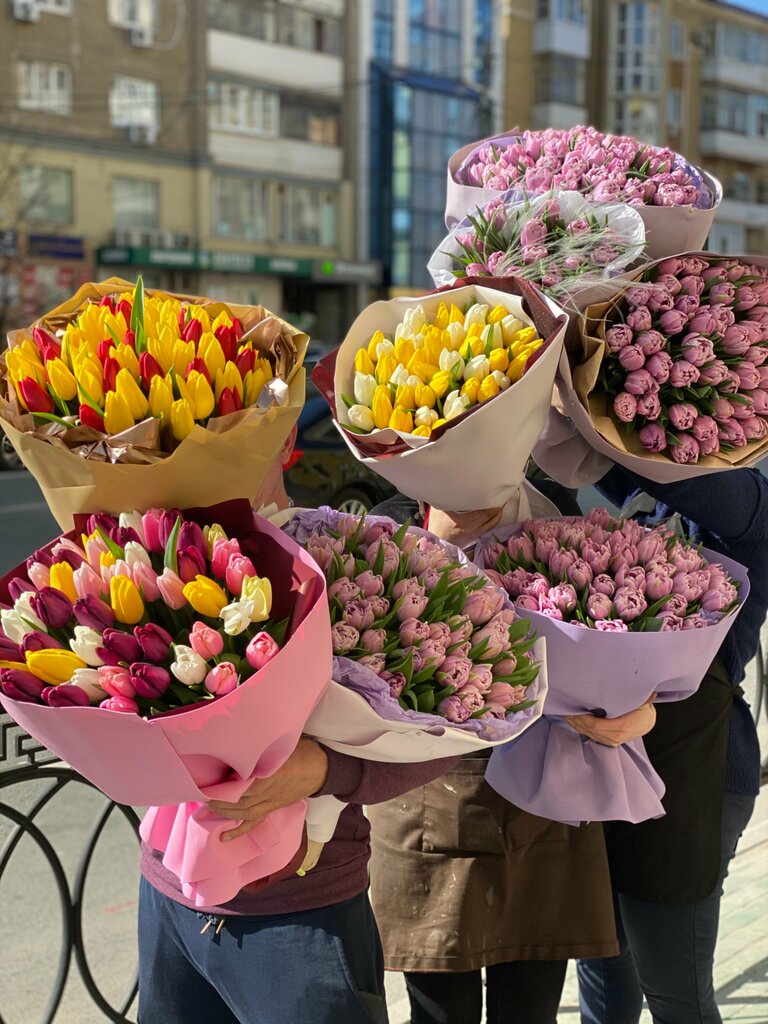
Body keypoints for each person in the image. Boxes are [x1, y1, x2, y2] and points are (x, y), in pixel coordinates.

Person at [137, 428, 461, 1024]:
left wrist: (326, 769)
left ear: (283, 435)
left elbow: (453, 735)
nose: (198, 452)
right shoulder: (155, 550)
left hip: (300, 917)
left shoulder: (351, 556)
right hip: (168, 891)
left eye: (227, 430)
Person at [367, 479, 657, 1024]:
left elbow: (599, 648)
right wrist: (440, 541)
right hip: (425, 800)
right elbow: (369, 670)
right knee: (439, 1014)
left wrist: (638, 710)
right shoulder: (390, 522)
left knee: (530, 1010)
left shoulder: (553, 510)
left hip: (542, 792)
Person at [534, 413, 767, 1024]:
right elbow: (590, 473)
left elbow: (678, 478)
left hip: (696, 778)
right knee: (607, 984)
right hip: (603, 769)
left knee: (676, 995)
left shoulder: (752, 506)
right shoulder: (648, 507)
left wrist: (604, 409)